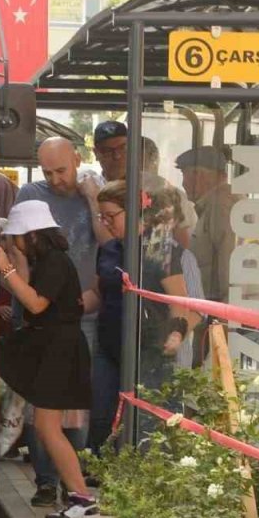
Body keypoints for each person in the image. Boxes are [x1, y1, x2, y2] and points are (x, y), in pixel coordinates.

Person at [0, 200, 96, 518]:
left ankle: (81, 498)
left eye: (16, 238)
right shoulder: (47, 261)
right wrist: (16, 262)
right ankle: (80, 496)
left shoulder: (55, 262)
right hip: (56, 348)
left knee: (49, 428)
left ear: (32, 235)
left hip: (59, 350)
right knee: (46, 428)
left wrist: (5, 269)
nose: (13, 244)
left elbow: (35, 304)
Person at [82, 181, 200, 452]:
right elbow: (97, 294)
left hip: (147, 350)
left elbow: (179, 303)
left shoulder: (161, 250)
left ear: (135, 212)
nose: (105, 223)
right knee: (102, 415)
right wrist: (64, 307)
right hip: (109, 347)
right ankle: (105, 475)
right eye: (101, 216)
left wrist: (175, 334)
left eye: (111, 216)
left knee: (145, 422)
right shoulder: (109, 249)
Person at [14, 138, 98, 506]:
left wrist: (94, 199)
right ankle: (49, 480)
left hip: (79, 313)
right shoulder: (31, 193)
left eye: (61, 170)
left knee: (73, 408)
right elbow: (20, 252)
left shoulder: (92, 193)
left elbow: (111, 242)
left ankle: (74, 485)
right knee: (42, 409)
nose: (55, 179)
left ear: (78, 160)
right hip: (44, 313)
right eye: (47, 171)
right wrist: (23, 292)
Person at [175, 146, 237, 305]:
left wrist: (225, 320)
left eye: (184, 174)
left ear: (199, 176)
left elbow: (231, 269)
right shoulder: (213, 206)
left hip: (218, 312)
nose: (183, 183)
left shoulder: (221, 207)